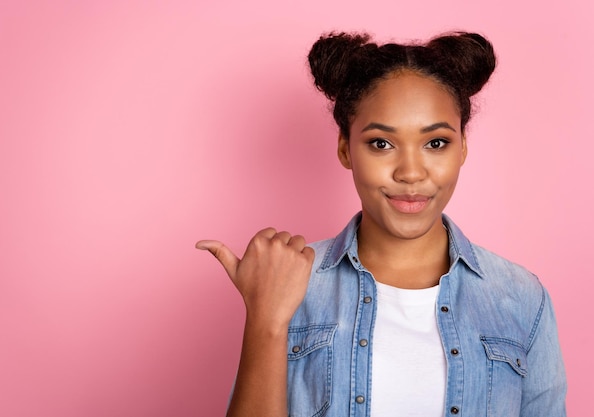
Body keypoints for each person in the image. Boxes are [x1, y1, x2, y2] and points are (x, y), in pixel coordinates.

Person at [196, 31, 567, 417]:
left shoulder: (522, 299)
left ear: (463, 148)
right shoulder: (292, 284)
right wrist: (266, 319)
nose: (410, 172)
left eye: (436, 143)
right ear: (345, 148)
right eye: (381, 143)